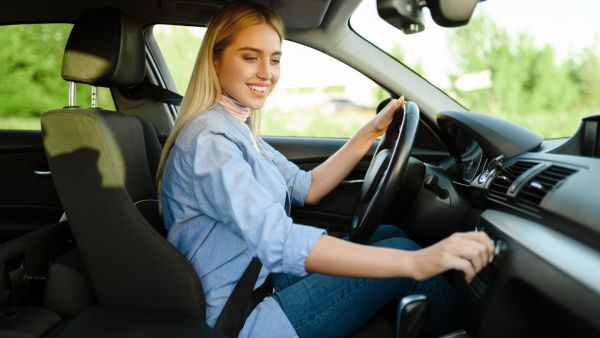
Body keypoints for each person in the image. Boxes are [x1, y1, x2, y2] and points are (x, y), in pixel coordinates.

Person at [157, 2, 495, 337]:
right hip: (241, 317)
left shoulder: (237, 130)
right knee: (405, 255)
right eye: (250, 57)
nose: (266, 72)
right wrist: (418, 263)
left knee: (390, 235)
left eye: (274, 59)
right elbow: (278, 240)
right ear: (215, 61)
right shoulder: (210, 141)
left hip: (258, 281)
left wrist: (370, 134)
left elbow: (307, 186)